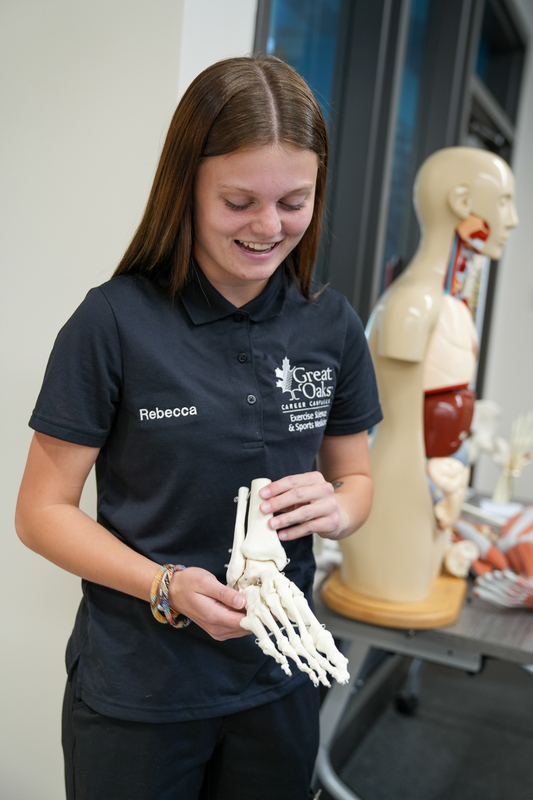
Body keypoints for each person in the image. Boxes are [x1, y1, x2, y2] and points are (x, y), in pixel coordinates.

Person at [15, 55, 382, 800]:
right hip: (141, 694)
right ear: (186, 187)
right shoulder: (113, 323)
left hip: (278, 679)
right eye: (239, 201)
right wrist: (165, 586)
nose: (268, 227)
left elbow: (358, 478)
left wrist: (341, 509)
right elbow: (40, 513)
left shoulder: (330, 325)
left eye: (294, 201)